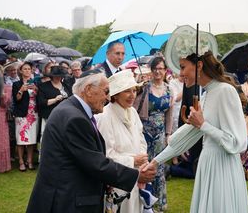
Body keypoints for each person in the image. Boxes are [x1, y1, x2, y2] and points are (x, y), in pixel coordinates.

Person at [26, 69, 156, 213]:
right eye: (106, 92)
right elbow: (97, 164)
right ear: (88, 90)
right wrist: (136, 175)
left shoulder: (73, 111)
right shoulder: (75, 118)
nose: (107, 98)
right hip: (67, 201)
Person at [143, 51, 248, 213]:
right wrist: (155, 162)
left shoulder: (225, 91)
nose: (181, 73)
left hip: (223, 167)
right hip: (207, 164)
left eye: (183, 67)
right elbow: (185, 137)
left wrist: (203, 125)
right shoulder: (207, 95)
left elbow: (238, 143)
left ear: (199, 65)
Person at [96, 69, 149, 213]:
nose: (132, 95)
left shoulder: (132, 112)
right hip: (116, 181)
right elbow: (105, 156)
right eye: (127, 91)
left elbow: (141, 140)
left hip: (135, 177)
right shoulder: (105, 116)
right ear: (116, 94)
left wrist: (143, 160)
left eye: (134, 90)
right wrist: (133, 161)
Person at [140, 57, 173, 212]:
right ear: (151, 70)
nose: (158, 71)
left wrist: (168, 134)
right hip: (145, 132)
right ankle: (145, 202)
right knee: (146, 167)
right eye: (155, 68)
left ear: (165, 70)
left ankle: (159, 204)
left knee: (159, 167)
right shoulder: (145, 88)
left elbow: (169, 114)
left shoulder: (168, 89)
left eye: (161, 68)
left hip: (160, 134)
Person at [37, 65, 71, 161]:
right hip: (49, 116)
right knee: (46, 137)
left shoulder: (66, 86)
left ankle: (60, 158)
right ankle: (44, 159)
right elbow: (41, 103)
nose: (58, 78)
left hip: (64, 117)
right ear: (52, 76)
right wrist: (55, 99)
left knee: (62, 138)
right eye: (56, 76)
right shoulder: (44, 86)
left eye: (60, 76)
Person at [12, 61, 39, 171]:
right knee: (21, 139)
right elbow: (16, 99)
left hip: (33, 114)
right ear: (21, 71)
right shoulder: (16, 84)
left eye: (29, 69)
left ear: (31, 70)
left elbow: (39, 98)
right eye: (25, 69)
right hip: (22, 114)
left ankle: (30, 160)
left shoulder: (34, 83)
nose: (27, 71)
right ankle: (21, 162)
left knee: (31, 139)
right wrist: (21, 90)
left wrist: (36, 90)